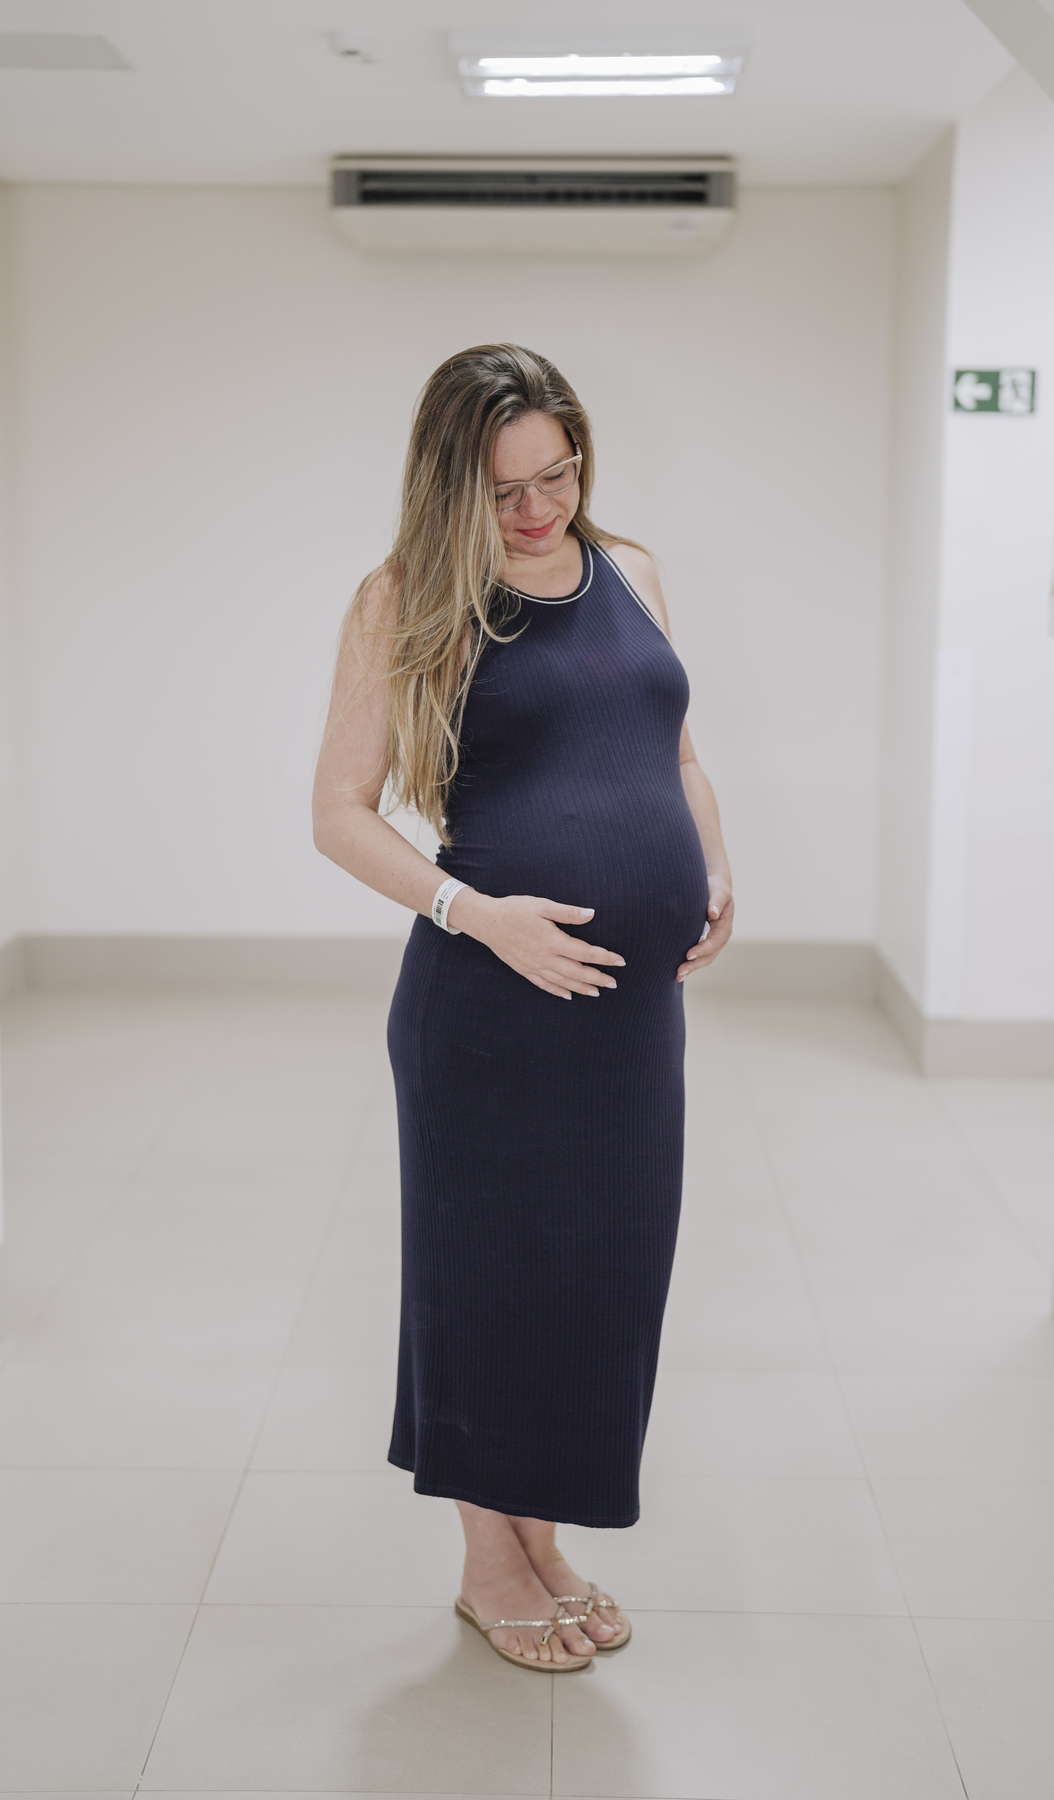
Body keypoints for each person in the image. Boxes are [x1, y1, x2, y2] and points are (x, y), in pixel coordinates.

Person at [313, 343, 733, 1671]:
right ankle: (488, 1560)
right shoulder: (403, 599)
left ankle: (541, 1539)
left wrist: (713, 865)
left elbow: (674, 753)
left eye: (559, 474)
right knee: (493, 1284)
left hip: (627, 1019)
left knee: (598, 1278)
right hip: (489, 1011)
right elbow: (338, 813)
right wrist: (477, 915)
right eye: (505, 492)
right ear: (450, 487)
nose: (541, 508)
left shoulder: (633, 571)